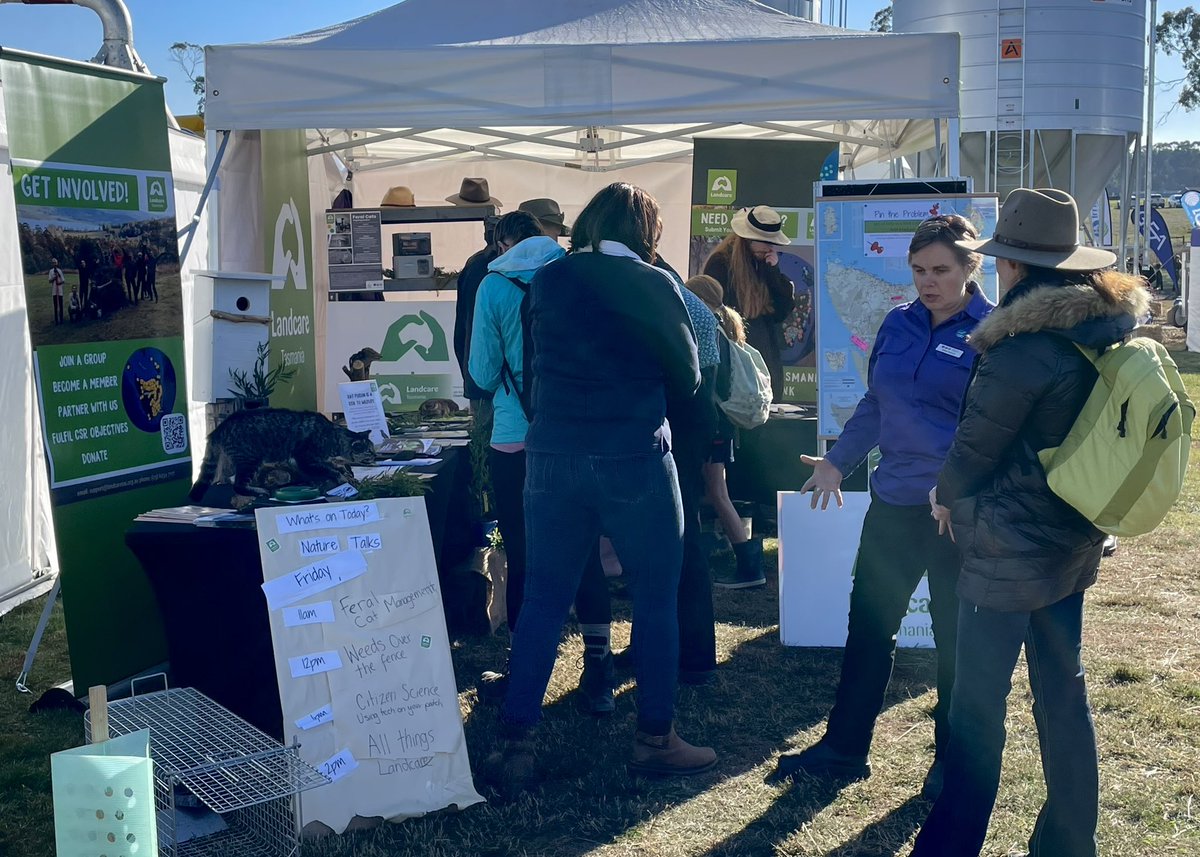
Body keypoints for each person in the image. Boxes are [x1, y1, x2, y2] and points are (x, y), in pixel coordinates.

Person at [912, 188, 1147, 857]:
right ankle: (1071, 842)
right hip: (1072, 537)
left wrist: (944, 495)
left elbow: (975, 449)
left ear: (1012, 265)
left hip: (1005, 549)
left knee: (976, 713)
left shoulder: (1021, 345)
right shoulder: (1102, 330)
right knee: (1062, 698)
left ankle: (948, 847)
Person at [485, 183, 712, 794]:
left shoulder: (553, 280)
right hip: (633, 451)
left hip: (553, 451)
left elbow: (532, 371)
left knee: (542, 600)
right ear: (648, 232)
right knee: (655, 598)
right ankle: (656, 740)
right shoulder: (654, 283)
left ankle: (514, 742)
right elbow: (689, 376)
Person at [770, 214, 993, 799]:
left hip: (956, 515)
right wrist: (836, 461)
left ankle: (950, 769)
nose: (928, 281)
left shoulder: (993, 334)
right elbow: (875, 403)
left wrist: (957, 490)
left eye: (941, 270)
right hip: (892, 503)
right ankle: (843, 750)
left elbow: (992, 429)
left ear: (972, 267)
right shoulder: (897, 323)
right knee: (868, 629)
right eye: (919, 270)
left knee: (955, 645)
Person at [468, 210, 616, 715]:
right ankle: (599, 670)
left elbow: (483, 373)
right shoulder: (578, 271)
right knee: (587, 551)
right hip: (574, 434)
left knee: (524, 554)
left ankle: (521, 671)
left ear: (503, 241)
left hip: (515, 437)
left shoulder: (494, 284)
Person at [684, 273, 765, 589]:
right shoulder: (726, 329)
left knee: (717, 494)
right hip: (724, 426)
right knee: (717, 493)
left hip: (713, 426)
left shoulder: (709, 331)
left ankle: (749, 566)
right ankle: (746, 563)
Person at [702, 205, 796, 401]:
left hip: (765, 356)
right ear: (748, 240)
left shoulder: (766, 264)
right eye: (766, 243)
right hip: (734, 356)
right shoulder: (720, 264)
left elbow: (781, 311)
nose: (771, 249)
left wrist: (773, 273)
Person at [48, 259, 65, 324]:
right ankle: (56, 320)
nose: (54, 264)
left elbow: (63, 280)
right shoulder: (51, 271)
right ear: (52, 264)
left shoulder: (59, 271)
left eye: (55, 263)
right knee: (55, 306)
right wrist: (54, 278)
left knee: (61, 305)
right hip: (54, 291)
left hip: (60, 291)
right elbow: (49, 281)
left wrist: (59, 283)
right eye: (53, 263)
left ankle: (61, 319)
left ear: (57, 263)